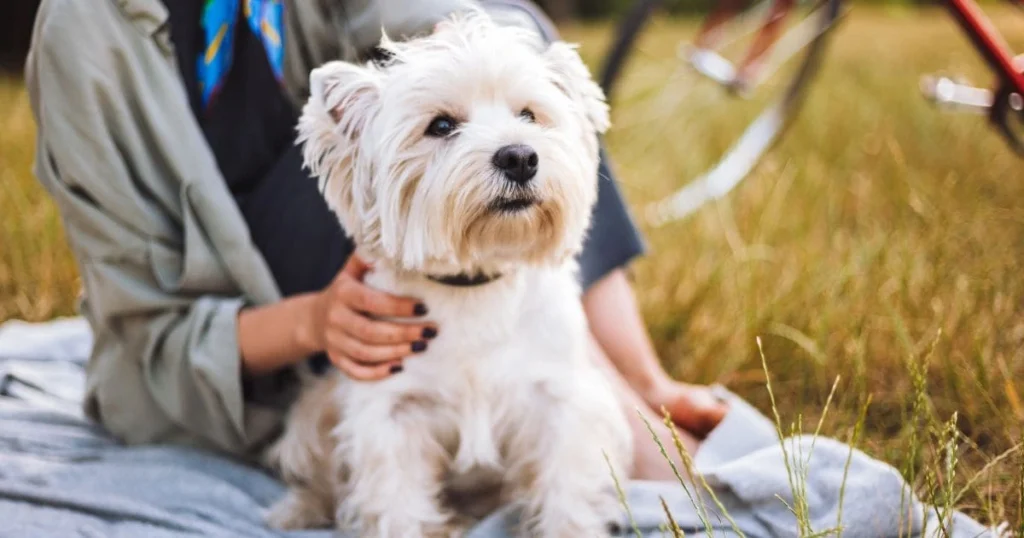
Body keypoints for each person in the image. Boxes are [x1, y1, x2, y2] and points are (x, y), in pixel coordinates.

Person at [25, 0, 726, 481]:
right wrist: (314, 321)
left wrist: (479, 69)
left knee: (523, 91)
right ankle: (610, 419)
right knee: (398, 160)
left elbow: (429, 13)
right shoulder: (82, 38)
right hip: (234, 336)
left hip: (379, 254)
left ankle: (634, 382)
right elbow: (148, 326)